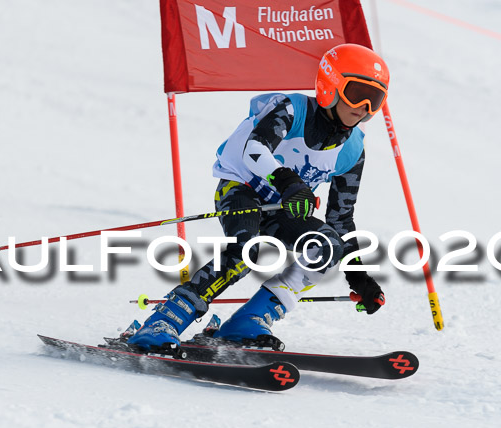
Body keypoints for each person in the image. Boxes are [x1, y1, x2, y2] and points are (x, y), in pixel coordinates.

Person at [128, 43, 388, 351]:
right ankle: (166, 319)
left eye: (375, 99)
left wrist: (358, 277)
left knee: (328, 245)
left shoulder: (353, 148)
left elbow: (341, 218)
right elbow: (255, 149)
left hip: (284, 209)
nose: (364, 107)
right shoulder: (293, 110)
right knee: (245, 251)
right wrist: (288, 181)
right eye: (357, 93)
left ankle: (248, 321)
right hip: (242, 189)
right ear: (330, 86)